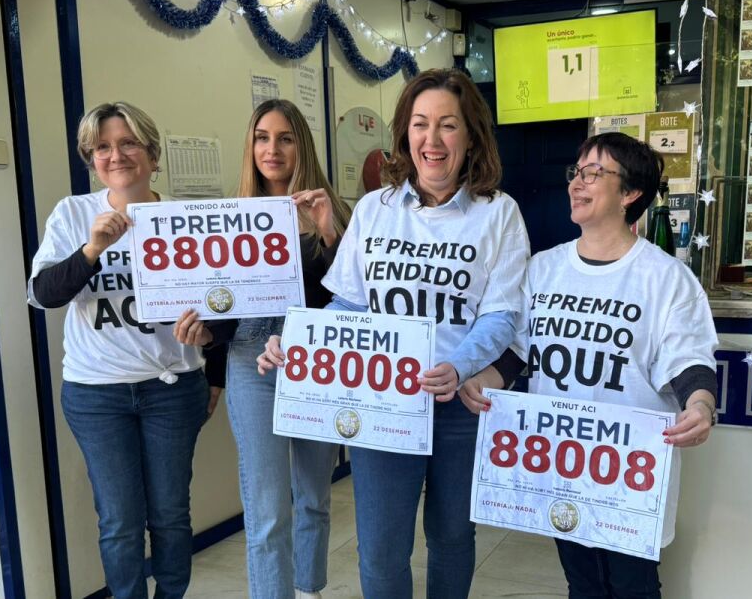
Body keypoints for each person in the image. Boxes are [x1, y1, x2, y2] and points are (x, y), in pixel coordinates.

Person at [261, 68, 530, 598]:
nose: (433, 140)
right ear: (405, 133)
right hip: (383, 403)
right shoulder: (374, 210)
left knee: (452, 537)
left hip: (459, 402)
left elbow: (501, 315)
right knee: (382, 549)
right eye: (420, 123)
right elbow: (348, 303)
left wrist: (459, 366)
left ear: (471, 135)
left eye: (448, 125)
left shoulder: (498, 213)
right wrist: (300, 340)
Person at [459, 132, 719, 599]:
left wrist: (700, 405)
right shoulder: (543, 269)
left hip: (628, 470)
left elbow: (688, 361)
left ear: (630, 193)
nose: (577, 183)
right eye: (576, 172)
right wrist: (483, 380)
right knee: (581, 582)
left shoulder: (666, 278)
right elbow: (520, 350)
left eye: (594, 173)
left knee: (633, 586)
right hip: (562, 461)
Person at [27, 102, 209, 599]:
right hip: (96, 394)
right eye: (102, 147)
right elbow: (44, 295)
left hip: (172, 389)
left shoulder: (184, 217)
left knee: (170, 514)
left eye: (128, 143)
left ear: (152, 153)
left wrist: (208, 334)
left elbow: (220, 303)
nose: (116, 155)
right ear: (91, 159)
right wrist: (91, 251)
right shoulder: (72, 213)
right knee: (119, 521)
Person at [173, 99, 351, 599]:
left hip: (317, 362)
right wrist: (206, 340)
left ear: (302, 145)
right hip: (251, 361)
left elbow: (354, 295)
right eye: (262, 138)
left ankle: (309, 590)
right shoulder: (233, 217)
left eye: (285, 138)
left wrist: (328, 233)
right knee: (268, 507)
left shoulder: (335, 211)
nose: (272, 149)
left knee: (313, 496)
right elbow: (221, 305)